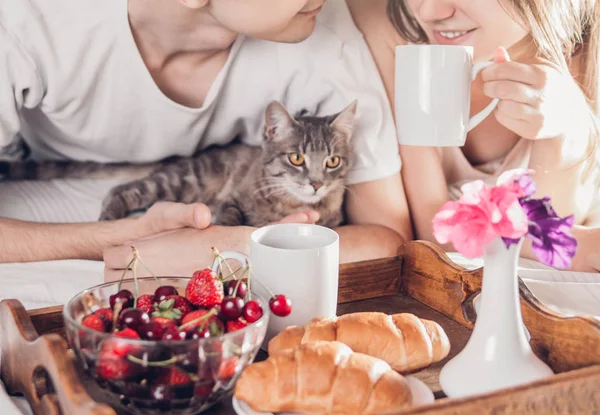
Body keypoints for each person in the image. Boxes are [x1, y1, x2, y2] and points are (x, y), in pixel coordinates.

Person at [0, 0, 413, 278]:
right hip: (42, 179)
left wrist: (235, 247)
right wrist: (125, 240)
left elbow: (386, 240)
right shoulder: (27, 21)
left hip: (210, 192)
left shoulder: (324, 35)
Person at [347, 0, 600, 272]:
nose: (429, 12)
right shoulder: (393, 28)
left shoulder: (590, 52)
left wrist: (564, 137)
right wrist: (579, 245)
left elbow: (547, 252)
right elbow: (439, 238)